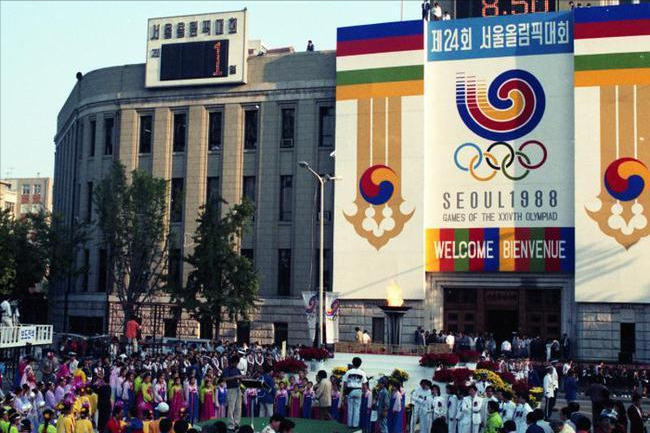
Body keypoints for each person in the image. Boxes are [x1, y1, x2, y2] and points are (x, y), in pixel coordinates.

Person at [341, 357, 368, 428]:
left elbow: (345, 383)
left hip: (350, 390)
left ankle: (350, 424)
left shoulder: (348, 372)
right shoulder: (362, 372)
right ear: (360, 364)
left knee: (350, 408)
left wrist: (344, 393)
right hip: (358, 390)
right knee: (357, 408)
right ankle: (355, 425)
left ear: (352, 363)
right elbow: (364, 384)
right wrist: (365, 392)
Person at [222, 356, 244, 431]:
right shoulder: (227, 369)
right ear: (233, 362)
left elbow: (240, 378)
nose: (237, 364)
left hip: (238, 388)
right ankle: (231, 424)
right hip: (231, 389)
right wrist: (235, 377)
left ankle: (237, 423)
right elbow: (225, 379)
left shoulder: (237, 369)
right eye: (236, 363)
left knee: (239, 407)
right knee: (231, 407)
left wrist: (242, 378)